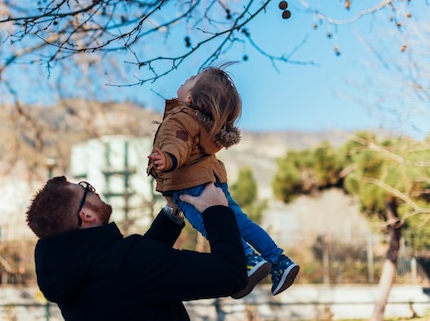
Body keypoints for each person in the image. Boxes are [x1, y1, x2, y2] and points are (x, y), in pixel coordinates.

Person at [147, 64, 300, 299]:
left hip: (191, 186)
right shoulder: (203, 124)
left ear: (190, 98)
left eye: (193, 78)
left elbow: (178, 144)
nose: (188, 76)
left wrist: (166, 159)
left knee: (210, 226)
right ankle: (279, 260)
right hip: (214, 180)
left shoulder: (180, 119)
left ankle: (249, 260)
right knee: (240, 223)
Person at [26, 176, 247, 321]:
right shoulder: (126, 262)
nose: (93, 190)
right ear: (86, 215)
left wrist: (173, 210)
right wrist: (216, 210)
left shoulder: (67, 274)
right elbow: (231, 273)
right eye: (86, 189)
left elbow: (134, 279)